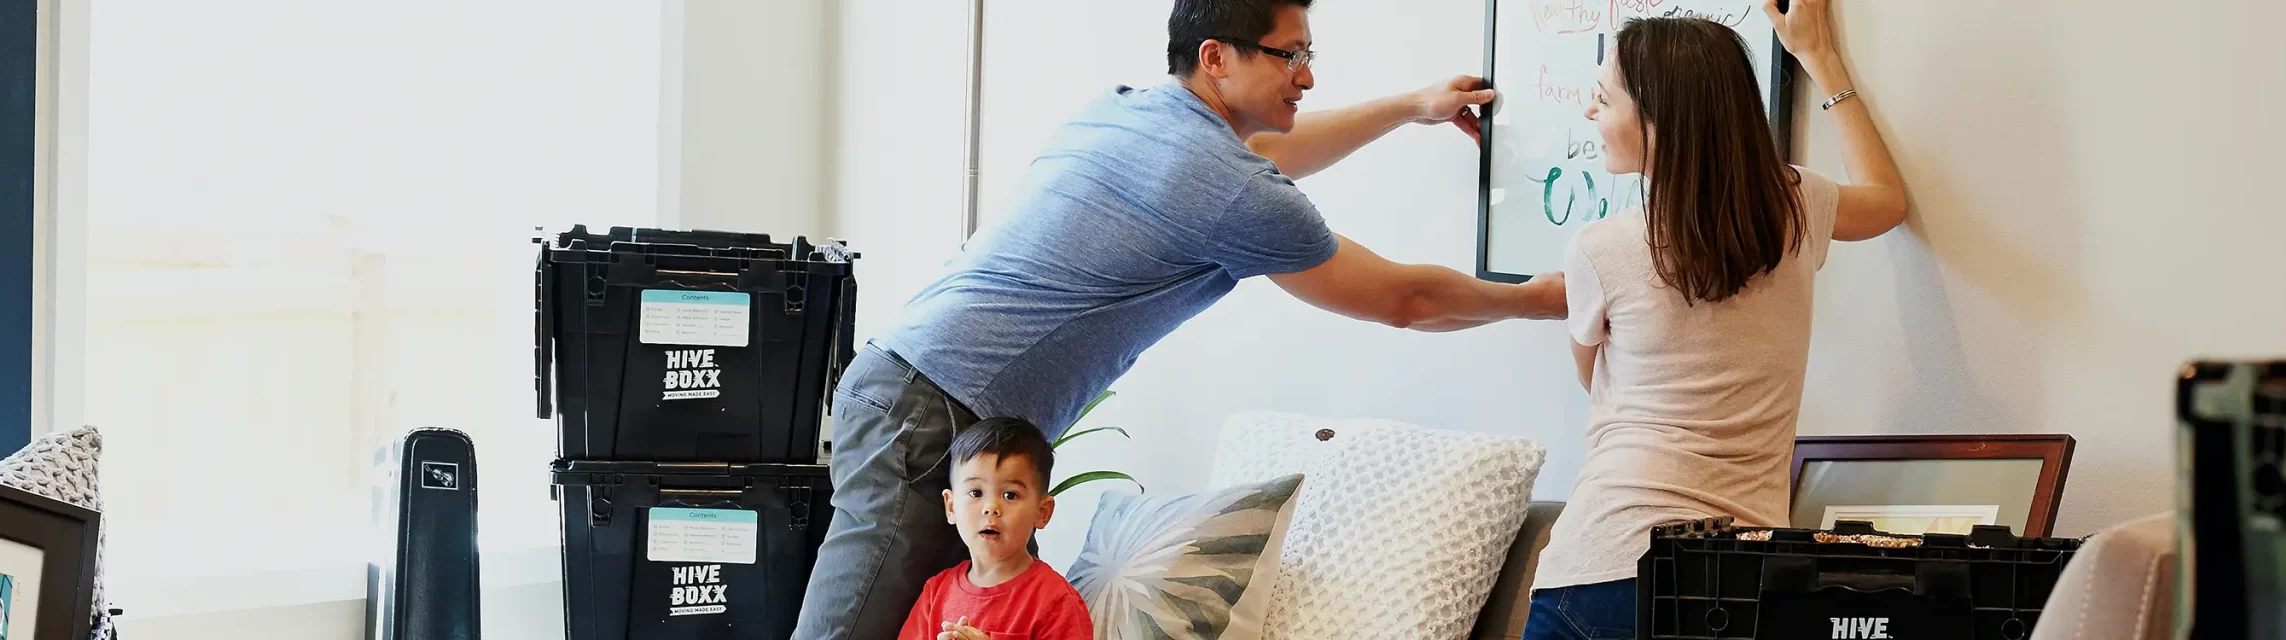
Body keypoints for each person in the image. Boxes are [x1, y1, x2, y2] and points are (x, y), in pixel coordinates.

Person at [793, 0, 1569, 637]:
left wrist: (1407, 108)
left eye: (1309, 53)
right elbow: (1407, 301)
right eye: (1289, 55)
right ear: (1217, 57)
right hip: (934, 418)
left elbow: (1267, 152)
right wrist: (1537, 298)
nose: (1307, 75)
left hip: (905, 388)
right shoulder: (1229, 189)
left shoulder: (1125, 112)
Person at [1521, 0, 1911, 638]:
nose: (1590, 110)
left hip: (1604, 566)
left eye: (1603, 97)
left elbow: (1595, 382)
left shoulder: (1601, 248)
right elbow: (1889, 202)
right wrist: (1821, 59)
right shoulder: (1798, 206)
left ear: (1658, 120)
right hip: (1746, 576)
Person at [896, 418, 1092, 640]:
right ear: (951, 506)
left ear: (1042, 512)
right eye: (976, 493)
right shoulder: (936, 592)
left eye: (1010, 495)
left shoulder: (1056, 601)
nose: (991, 508)